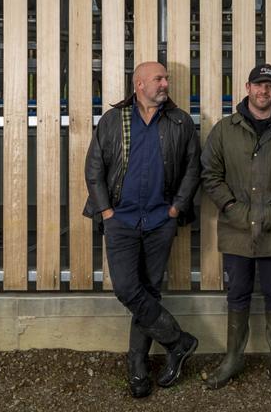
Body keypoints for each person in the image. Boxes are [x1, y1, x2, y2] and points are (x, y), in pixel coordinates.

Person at [84, 61, 201, 398]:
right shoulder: (113, 120)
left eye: (166, 78)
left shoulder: (180, 122)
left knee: (149, 292)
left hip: (159, 221)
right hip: (120, 221)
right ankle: (178, 342)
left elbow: (193, 169)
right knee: (127, 289)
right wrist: (106, 210)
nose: (165, 84)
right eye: (159, 79)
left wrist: (176, 207)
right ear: (139, 84)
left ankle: (137, 366)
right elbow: (94, 169)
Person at [199, 63, 271, 395]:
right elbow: (209, 172)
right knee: (236, 294)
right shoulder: (225, 130)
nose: (263, 91)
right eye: (258, 85)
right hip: (236, 229)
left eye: (270, 86)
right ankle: (233, 358)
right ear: (247, 87)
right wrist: (231, 207)